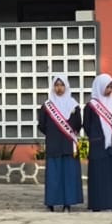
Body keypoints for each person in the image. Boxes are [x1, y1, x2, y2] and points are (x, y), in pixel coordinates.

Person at [37, 74, 83, 212]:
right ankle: (51, 202)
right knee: (54, 176)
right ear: (53, 87)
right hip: (54, 145)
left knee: (68, 175)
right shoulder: (47, 106)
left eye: (62, 85)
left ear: (66, 86)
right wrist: (53, 134)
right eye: (56, 85)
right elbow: (42, 125)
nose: (59, 88)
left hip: (68, 146)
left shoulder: (74, 105)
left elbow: (78, 124)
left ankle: (67, 203)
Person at [85, 74, 112, 212]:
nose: (109, 90)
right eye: (106, 87)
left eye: (110, 87)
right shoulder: (91, 106)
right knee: (98, 176)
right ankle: (98, 204)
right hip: (98, 146)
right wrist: (97, 137)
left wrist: (111, 135)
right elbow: (87, 125)